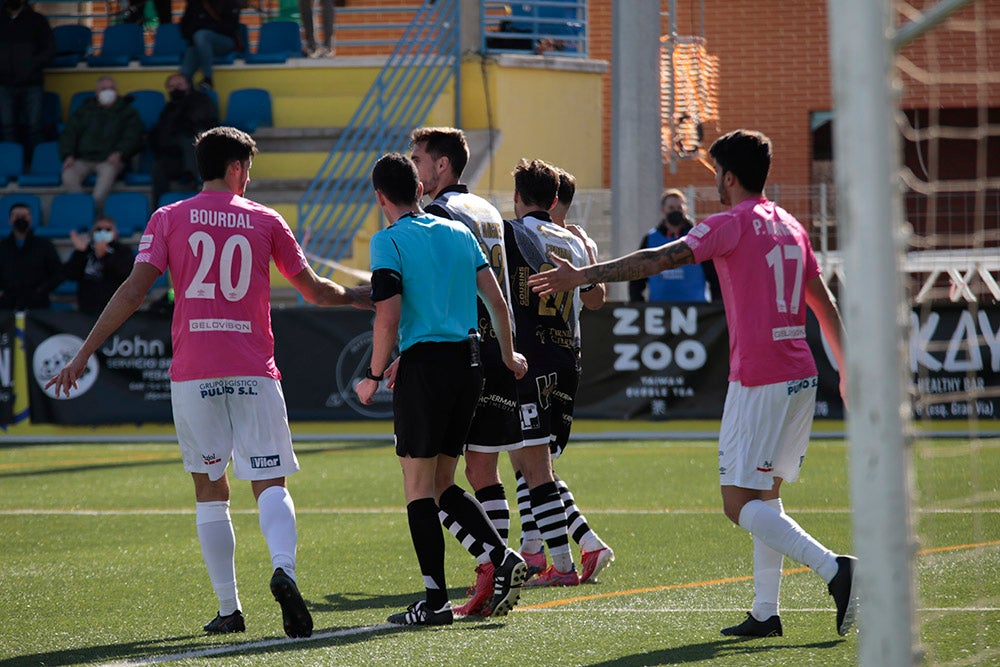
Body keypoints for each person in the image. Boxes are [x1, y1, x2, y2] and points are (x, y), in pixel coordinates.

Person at [528, 129, 858, 638]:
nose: (715, 186)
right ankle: (766, 612)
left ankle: (836, 570)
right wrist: (846, 368)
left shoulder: (730, 224)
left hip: (761, 377)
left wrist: (583, 276)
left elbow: (657, 259)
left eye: (715, 176)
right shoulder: (791, 225)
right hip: (802, 374)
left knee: (738, 504)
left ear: (729, 176)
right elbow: (822, 301)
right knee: (765, 496)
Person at [46, 126, 371, 638]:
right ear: (238, 168)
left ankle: (229, 609)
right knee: (269, 481)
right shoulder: (265, 220)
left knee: (210, 488)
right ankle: (283, 571)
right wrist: (358, 296)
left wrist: (84, 352)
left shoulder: (168, 217)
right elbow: (311, 291)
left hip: (195, 374)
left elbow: (132, 292)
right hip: (253, 370)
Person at [355, 152, 529, 626]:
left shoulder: (387, 241)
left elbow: (387, 315)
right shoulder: (458, 232)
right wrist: (509, 355)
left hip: (427, 369)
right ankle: (503, 556)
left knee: (418, 489)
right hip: (469, 363)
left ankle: (434, 602)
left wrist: (372, 375)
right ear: (418, 189)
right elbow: (497, 302)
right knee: (441, 483)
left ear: (380, 197)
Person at [407, 126, 525, 616]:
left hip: (463, 349)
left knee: (438, 481)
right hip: (499, 349)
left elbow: (438, 286)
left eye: (419, 160)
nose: (414, 169)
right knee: (480, 469)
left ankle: (494, 562)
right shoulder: (487, 210)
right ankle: (497, 569)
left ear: (442, 165)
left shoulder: (440, 214)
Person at [504, 158, 604, 588]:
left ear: (517, 198)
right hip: (567, 359)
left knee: (533, 466)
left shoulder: (512, 233)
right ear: (555, 198)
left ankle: (563, 562)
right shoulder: (576, 242)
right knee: (531, 463)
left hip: (531, 358)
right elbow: (596, 298)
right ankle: (532, 550)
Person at [59, 76, 144, 213]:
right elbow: (69, 133)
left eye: (111, 88)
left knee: (104, 181)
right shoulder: (84, 111)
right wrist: (68, 154)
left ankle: (92, 212)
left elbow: (133, 137)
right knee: (68, 175)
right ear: (96, 92)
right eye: (103, 89)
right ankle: (85, 209)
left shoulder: (128, 112)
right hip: (83, 159)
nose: (108, 92)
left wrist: (120, 152)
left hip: (110, 160)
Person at [628, 188, 720, 303]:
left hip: (696, 313)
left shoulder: (698, 239)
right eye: (671, 208)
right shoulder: (650, 239)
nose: (676, 211)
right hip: (659, 313)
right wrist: (639, 306)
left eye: (679, 208)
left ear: (685, 209)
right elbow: (637, 278)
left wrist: (716, 308)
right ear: (663, 210)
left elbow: (714, 278)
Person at [150, 72, 219, 206]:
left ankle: (191, 182)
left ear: (187, 84)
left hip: (199, 156)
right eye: (171, 86)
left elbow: (200, 122)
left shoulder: (201, 99)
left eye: (179, 84)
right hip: (174, 156)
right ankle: (158, 209)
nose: (176, 88)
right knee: (158, 168)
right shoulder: (169, 108)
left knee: (188, 138)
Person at [0, 0, 54, 154]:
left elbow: (49, 49)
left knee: (35, 127)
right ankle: (11, 165)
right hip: (3, 84)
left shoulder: (37, 20)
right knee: (7, 127)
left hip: (32, 84)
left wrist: (31, 65)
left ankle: (37, 166)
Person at [63, 215, 135, 316]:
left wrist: (104, 256)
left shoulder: (123, 251)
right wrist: (80, 253)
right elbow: (71, 274)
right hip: (86, 306)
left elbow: (124, 273)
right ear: (92, 232)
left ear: (116, 233)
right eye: (99, 229)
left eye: (108, 229)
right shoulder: (85, 250)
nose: (103, 232)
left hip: (113, 307)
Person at [0, 202, 62, 310]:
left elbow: (58, 273)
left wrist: (42, 290)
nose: (21, 219)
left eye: (24, 216)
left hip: (38, 305)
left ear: (30, 219)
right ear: (10, 220)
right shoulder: (2, 247)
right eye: (16, 216)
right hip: (7, 305)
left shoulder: (45, 245)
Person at [179, 0, 241, 91]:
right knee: (184, 76)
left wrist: (203, 27)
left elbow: (231, 28)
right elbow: (184, 27)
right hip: (197, 45)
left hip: (224, 43)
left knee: (201, 35)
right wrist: (202, 28)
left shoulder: (230, 2)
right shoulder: (195, 3)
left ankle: (208, 78)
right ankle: (191, 100)